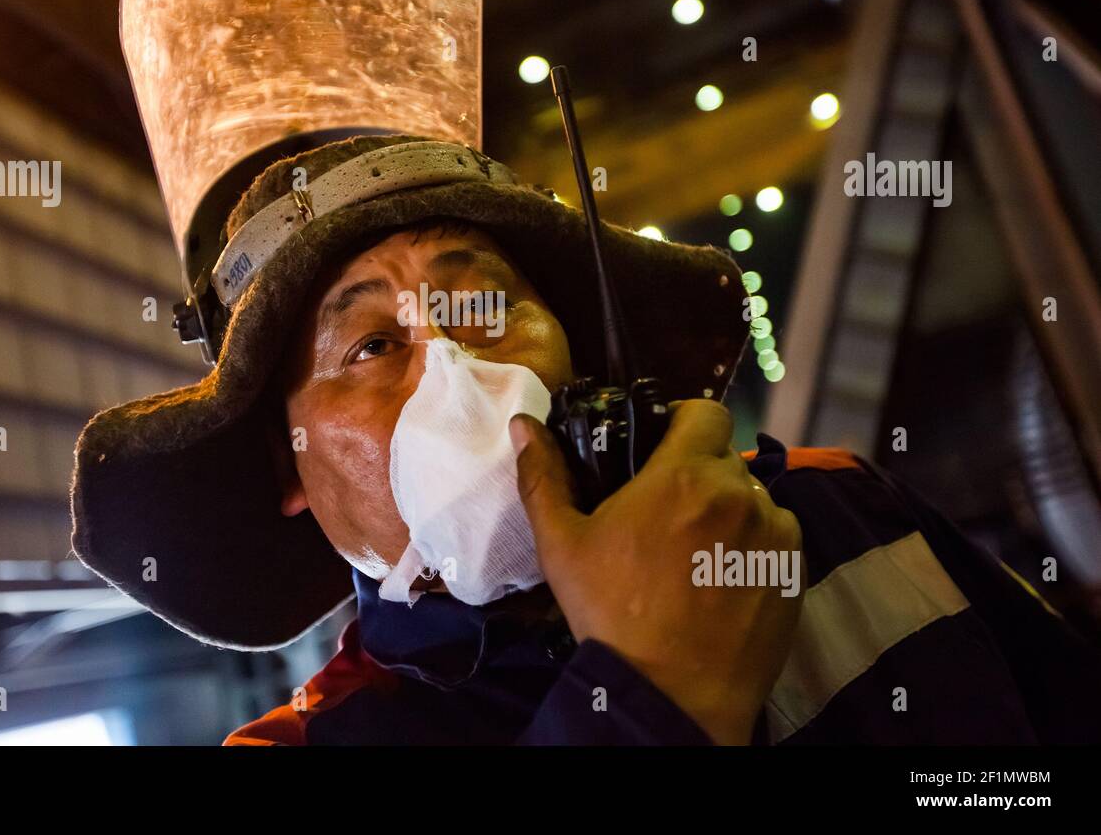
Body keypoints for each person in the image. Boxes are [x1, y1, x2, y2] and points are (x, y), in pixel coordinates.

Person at [70, 134, 1101, 745]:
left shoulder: (839, 511)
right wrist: (653, 698)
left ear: (576, 345)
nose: (455, 373)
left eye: (484, 307)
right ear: (283, 464)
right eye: (372, 345)